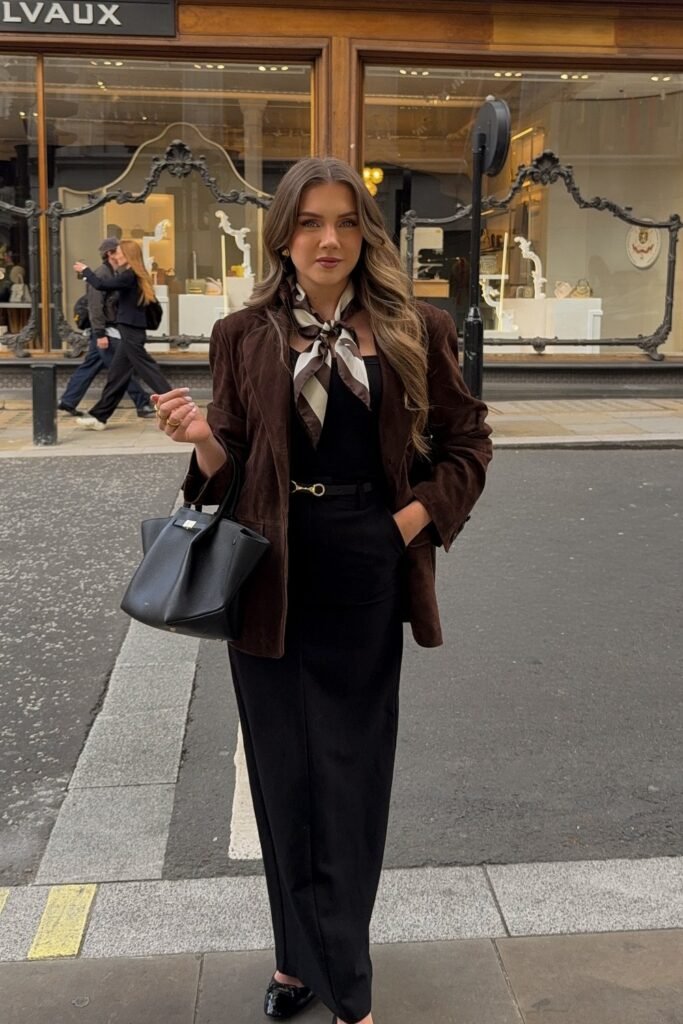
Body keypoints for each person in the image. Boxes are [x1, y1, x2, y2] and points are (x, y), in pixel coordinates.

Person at [152, 157, 493, 1024]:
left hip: (366, 564)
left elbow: (467, 446)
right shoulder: (244, 334)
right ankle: (299, 965)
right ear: (283, 235)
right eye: (309, 222)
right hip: (269, 567)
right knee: (280, 778)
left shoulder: (417, 327)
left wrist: (403, 527)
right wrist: (198, 438)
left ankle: (345, 981)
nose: (328, 239)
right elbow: (232, 468)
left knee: (346, 774)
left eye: (344, 221)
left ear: (366, 232)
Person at [72, 240, 172, 430]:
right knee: (117, 376)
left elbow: (101, 285)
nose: (114, 256)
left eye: (117, 253)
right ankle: (99, 416)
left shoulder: (129, 276)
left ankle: (178, 405)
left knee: (149, 370)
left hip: (130, 332)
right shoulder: (132, 275)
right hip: (129, 330)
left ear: (127, 255)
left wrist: (85, 271)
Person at [59, 238, 154, 420]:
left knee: (91, 365)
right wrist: (100, 333)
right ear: (110, 254)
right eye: (118, 251)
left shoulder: (116, 273)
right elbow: (95, 306)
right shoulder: (102, 274)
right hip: (105, 332)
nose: (120, 255)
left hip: (109, 330)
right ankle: (142, 403)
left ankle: (68, 401)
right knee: (121, 369)